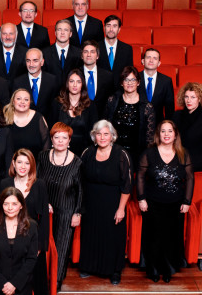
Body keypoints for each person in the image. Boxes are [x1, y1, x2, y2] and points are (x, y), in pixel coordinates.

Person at [137, 120, 194, 283]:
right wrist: (141, 199)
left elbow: (190, 178)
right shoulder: (149, 153)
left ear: (175, 134)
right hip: (153, 203)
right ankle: (153, 269)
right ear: (158, 134)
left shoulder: (183, 153)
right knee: (154, 237)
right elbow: (140, 176)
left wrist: (187, 201)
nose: (167, 134)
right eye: (163, 131)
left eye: (170, 131)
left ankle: (168, 269)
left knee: (171, 237)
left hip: (176, 204)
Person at [78, 120, 131, 285]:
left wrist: (121, 209)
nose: (102, 137)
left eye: (106, 134)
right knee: (90, 234)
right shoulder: (87, 152)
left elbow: (127, 185)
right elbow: (79, 180)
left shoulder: (121, 154)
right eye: (99, 134)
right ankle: (88, 266)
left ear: (112, 136)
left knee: (112, 237)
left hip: (113, 203)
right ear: (94, 136)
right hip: (91, 202)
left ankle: (114, 271)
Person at [36, 123, 82, 293]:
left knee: (61, 248)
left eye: (64, 138)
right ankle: (42, 277)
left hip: (66, 210)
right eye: (57, 137)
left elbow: (81, 191)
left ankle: (56, 280)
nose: (60, 141)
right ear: (52, 139)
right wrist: (42, 202)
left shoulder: (77, 162)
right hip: (45, 208)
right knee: (43, 245)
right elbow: (36, 182)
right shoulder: (42, 157)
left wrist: (77, 212)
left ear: (69, 141)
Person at [0, 150, 49, 295]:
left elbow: (44, 217)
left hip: (32, 239)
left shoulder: (39, 184)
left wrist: (40, 246)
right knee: (13, 281)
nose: (23, 166)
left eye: (27, 163)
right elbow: (0, 213)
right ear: (13, 163)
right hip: (11, 239)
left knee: (37, 281)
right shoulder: (5, 183)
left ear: (32, 165)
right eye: (19, 162)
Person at [0, 187, 39, 295]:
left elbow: (31, 259)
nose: (10, 208)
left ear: (21, 205)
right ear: (1, 205)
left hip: (21, 287)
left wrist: (14, 284)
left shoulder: (32, 226)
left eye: (14, 204)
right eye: (5, 204)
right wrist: (2, 284)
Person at [102, 65, 156, 162]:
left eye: (133, 80)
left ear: (138, 82)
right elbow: (104, 127)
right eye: (126, 80)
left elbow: (149, 139)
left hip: (136, 154)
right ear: (122, 83)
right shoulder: (112, 101)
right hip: (113, 152)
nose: (129, 83)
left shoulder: (147, 107)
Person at [49, 70, 98, 156]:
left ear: (82, 85)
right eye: (71, 81)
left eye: (78, 82)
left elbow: (93, 133)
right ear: (67, 84)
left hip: (83, 153)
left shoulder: (90, 106)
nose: (75, 85)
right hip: (60, 151)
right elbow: (51, 130)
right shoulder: (57, 103)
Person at [173, 82, 202, 172]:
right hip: (174, 165)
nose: (188, 100)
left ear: (199, 99)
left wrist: (188, 166)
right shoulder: (176, 116)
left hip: (194, 168)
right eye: (186, 97)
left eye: (193, 97)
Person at [12, 48, 58, 114]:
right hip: (25, 122)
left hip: (47, 122)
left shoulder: (52, 80)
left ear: (42, 62)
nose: (31, 64)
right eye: (28, 61)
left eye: (35, 61)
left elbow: (55, 107)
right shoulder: (18, 82)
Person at [3, 89, 49, 154]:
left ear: (30, 102)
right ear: (13, 101)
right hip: (10, 163)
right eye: (19, 99)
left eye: (26, 99)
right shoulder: (4, 118)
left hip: (35, 162)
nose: (22, 102)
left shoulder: (39, 118)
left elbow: (46, 145)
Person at [138, 47, 176, 124]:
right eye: (148, 57)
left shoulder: (166, 81)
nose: (151, 60)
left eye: (155, 58)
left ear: (159, 63)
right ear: (143, 61)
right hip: (137, 124)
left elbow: (170, 109)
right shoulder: (135, 78)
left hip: (158, 126)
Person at [96, 15, 134, 83]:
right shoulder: (95, 47)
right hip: (100, 89)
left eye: (114, 26)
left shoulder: (127, 49)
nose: (111, 29)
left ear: (119, 29)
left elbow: (129, 73)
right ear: (104, 28)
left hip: (120, 90)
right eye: (108, 26)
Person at [80, 41, 114, 115]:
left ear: (97, 56)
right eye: (86, 52)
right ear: (82, 56)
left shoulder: (108, 76)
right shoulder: (75, 75)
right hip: (80, 118)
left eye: (92, 52)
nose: (89, 55)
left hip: (101, 119)